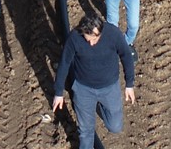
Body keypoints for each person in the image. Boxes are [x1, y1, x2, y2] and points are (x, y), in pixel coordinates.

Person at [51, 14, 137, 149]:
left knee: (115, 126)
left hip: (109, 87)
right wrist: (58, 92)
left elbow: (126, 56)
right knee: (86, 131)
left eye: (94, 39)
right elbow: (64, 63)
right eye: (87, 39)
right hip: (83, 89)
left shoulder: (113, 34)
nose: (91, 43)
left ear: (100, 31)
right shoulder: (74, 38)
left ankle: (98, 106)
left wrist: (129, 84)